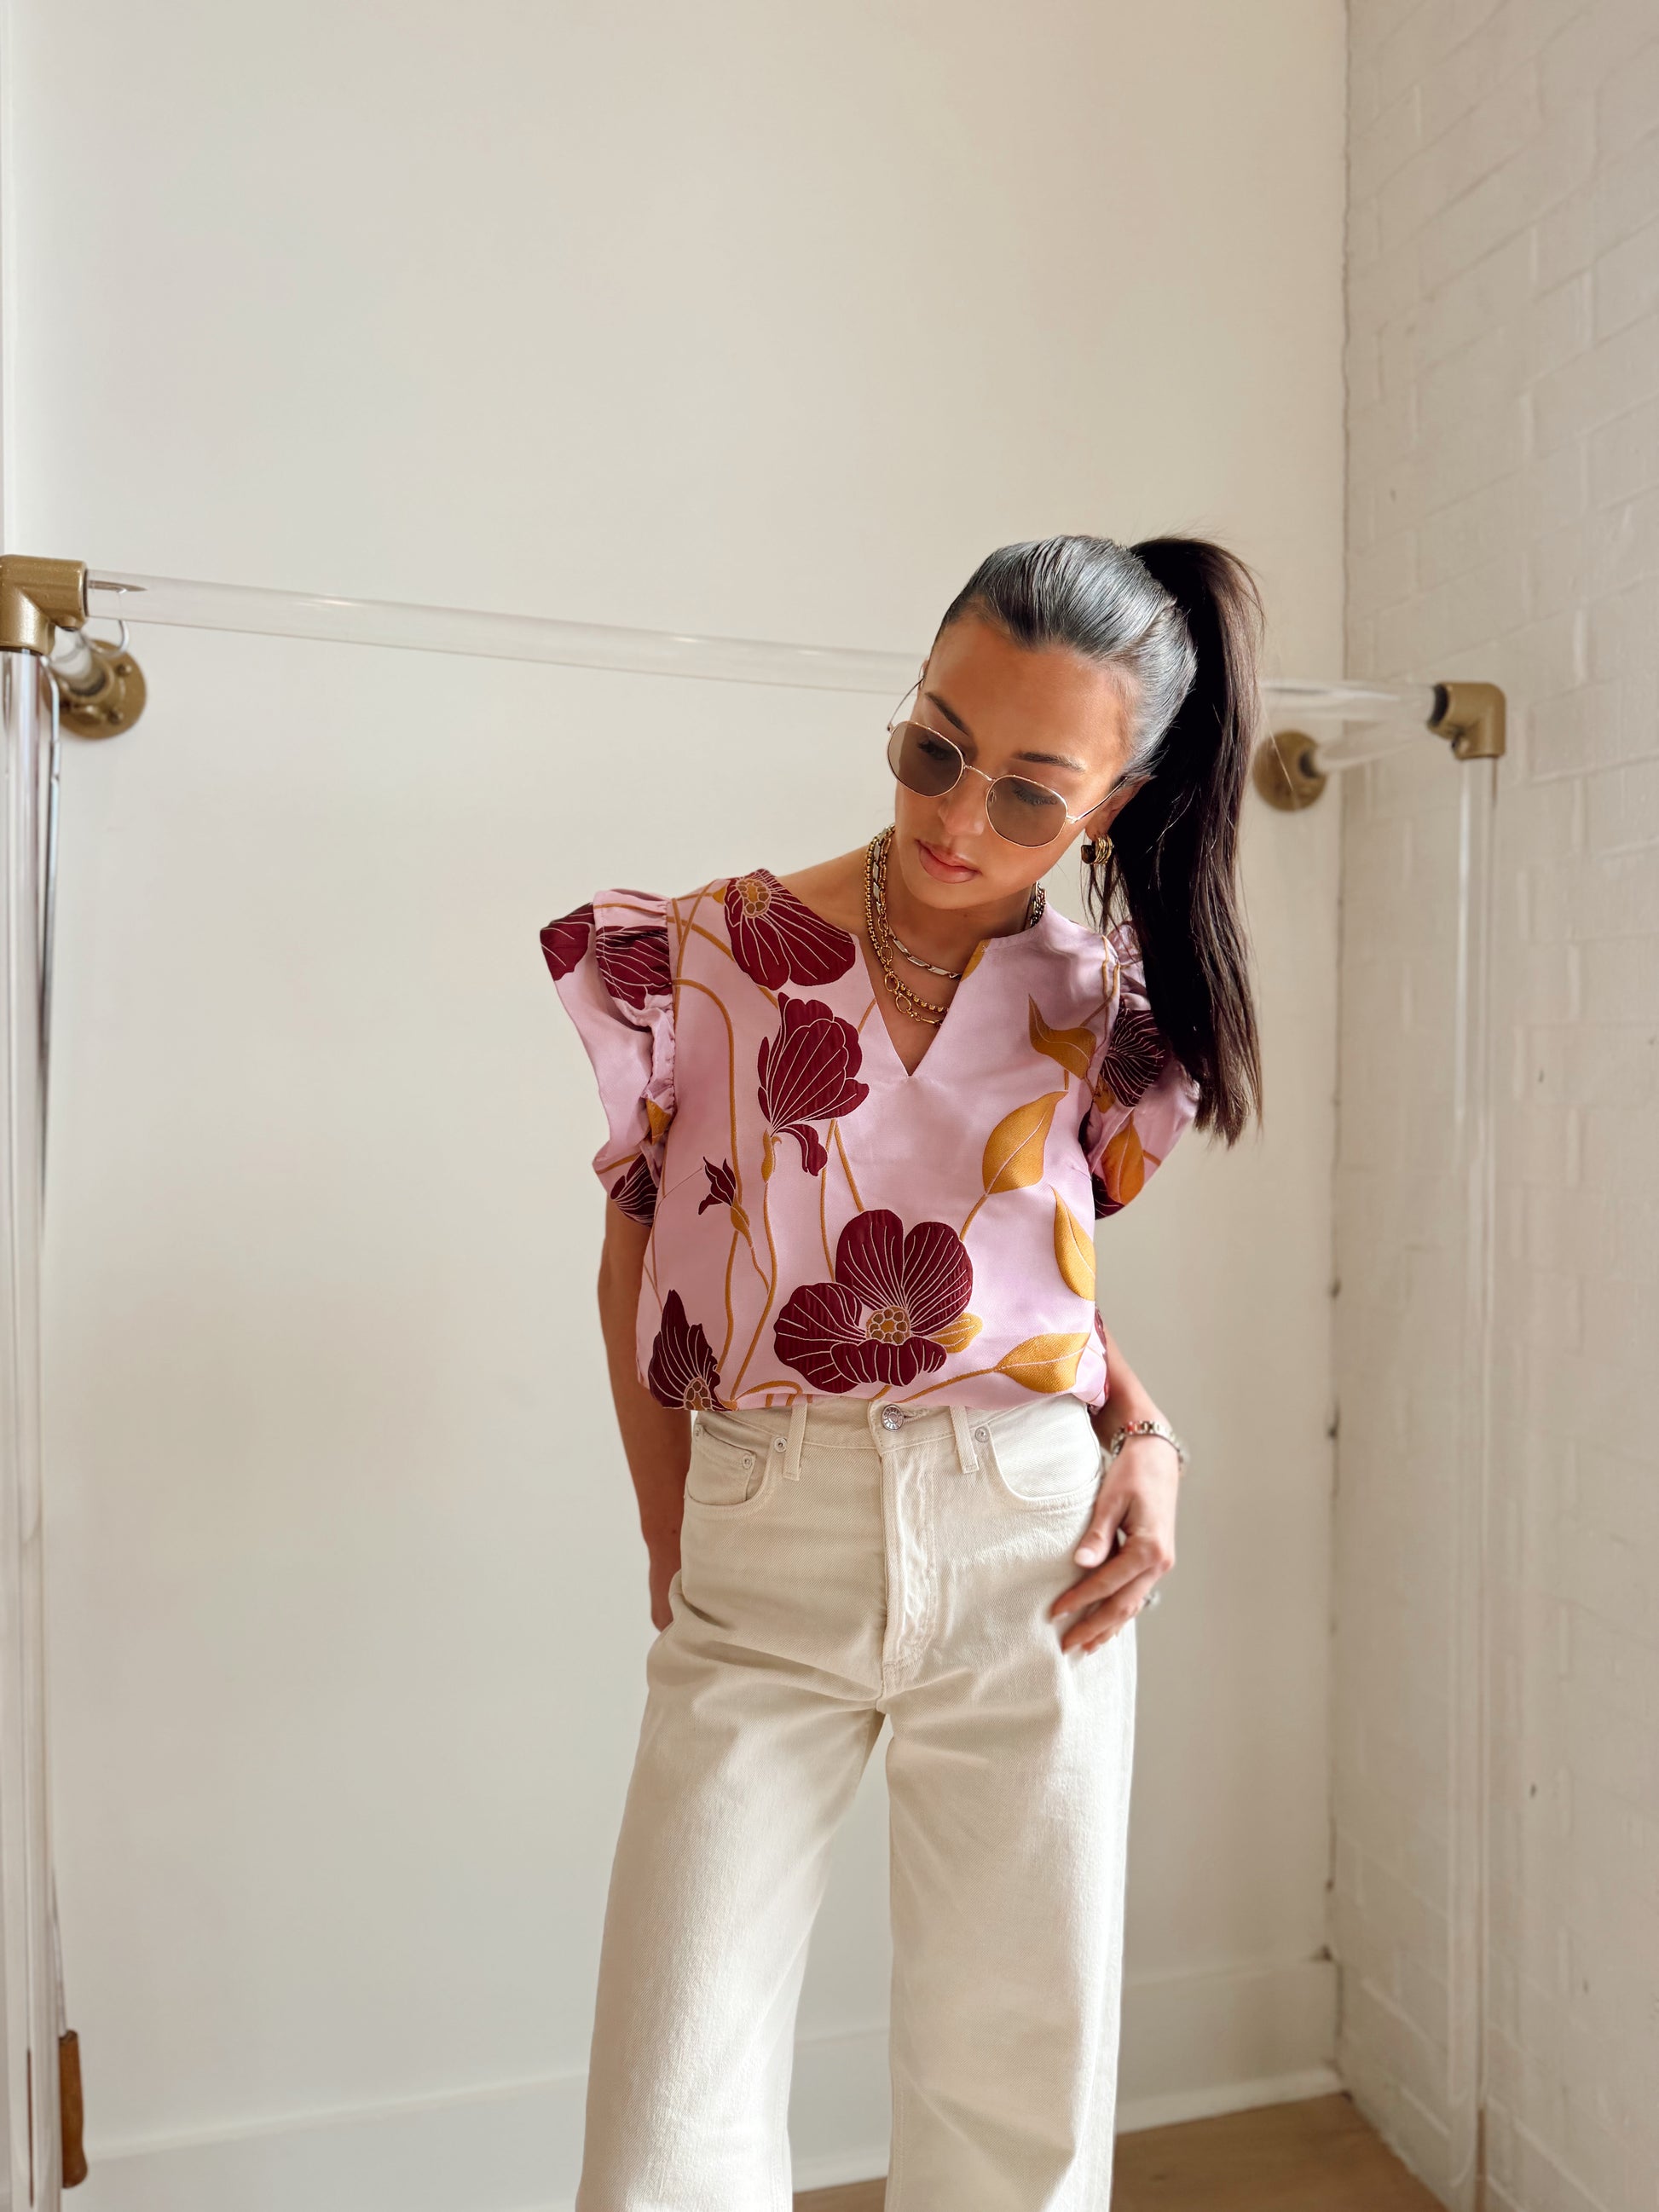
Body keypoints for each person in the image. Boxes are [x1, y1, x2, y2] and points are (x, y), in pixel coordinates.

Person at [539, 533, 1263, 2210]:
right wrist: (672, 1529)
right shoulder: (707, 959)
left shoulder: (1107, 1011)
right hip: (761, 1542)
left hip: (1030, 1552)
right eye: (935, 745)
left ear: (1110, 804)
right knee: (663, 2132)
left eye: (1028, 793)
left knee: (1014, 2117)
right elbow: (636, 1262)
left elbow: (1030, 1302)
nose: (957, 815)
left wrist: (1148, 1435)